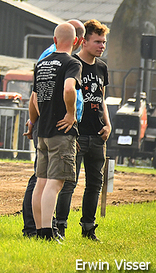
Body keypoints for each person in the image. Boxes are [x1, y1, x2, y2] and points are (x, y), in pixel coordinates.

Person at [21, 19, 85, 238]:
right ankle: (48, 231)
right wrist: (69, 114)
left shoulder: (42, 63)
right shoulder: (72, 63)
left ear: (54, 40)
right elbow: (69, 89)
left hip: (43, 130)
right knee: (55, 184)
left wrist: (35, 122)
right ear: (76, 40)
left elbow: (35, 98)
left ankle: (38, 230)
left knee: (41, 182)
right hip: (61, 131)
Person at [54, 19, 111, 241]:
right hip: (77, 135)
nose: (102, 46)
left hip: (98, 135)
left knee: (95, 184)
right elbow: (64, 98)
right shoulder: (72, 64)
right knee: (69, 183)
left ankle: (88, 228)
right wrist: (71, 131)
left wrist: (108, 124)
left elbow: (101, 98)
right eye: (97, 41)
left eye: (104, 42)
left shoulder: (102, 68)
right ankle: (60, 227)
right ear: (83, 41)